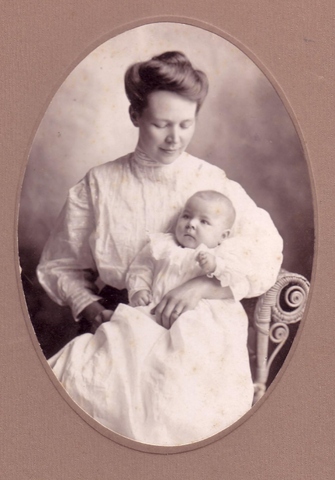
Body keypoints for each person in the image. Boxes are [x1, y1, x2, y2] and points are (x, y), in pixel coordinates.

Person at [37, 50, 283, 443]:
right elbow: (59, 265)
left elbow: (265, 250)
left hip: (197, 339)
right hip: (122, 326)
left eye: (186, 124)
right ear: (135, 116)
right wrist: (91, 307)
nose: (175, 138)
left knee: (176, 417)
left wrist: (202, 286)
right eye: (161, 124)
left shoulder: (212, 181)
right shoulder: (98, 185)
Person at [48, 190, 255, 445]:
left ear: (222, 236)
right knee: (120, 347)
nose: (191, 224)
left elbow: (238, 278)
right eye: (187, 216)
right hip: (154, 312)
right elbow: (140, 269)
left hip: (200, 320)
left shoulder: (219, 255)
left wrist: (214, 267)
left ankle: (170, 416)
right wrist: (140, 289)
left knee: (183, 365)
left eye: (204, 222)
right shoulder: (162, 245)